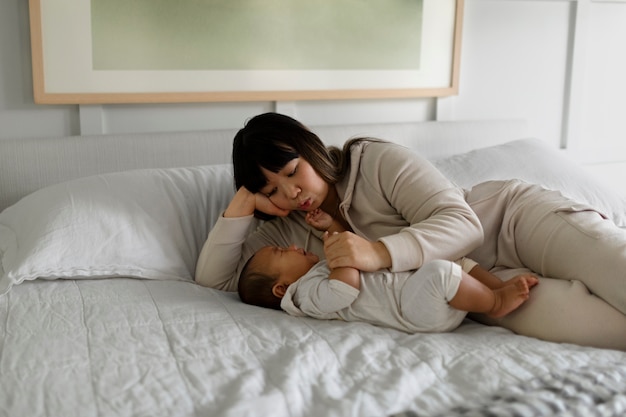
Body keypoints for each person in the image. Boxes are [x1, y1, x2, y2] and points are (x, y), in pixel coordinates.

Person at [196, 112, 626, 350]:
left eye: (293, 172)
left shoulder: (373, 160)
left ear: (309, 146)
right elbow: (215, 281)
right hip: (476, 288)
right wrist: (244, 203)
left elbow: (463, 224)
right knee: (606, 332)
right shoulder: (289, 235)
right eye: (273, 188)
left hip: (512, 222)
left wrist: (377, 254)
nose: (292, 193)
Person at [238, 209, 539, 334]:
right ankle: (495, 304)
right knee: (440, 273)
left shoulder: (316, 271)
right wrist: (339, 258)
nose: (291, 245)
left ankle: (496, 289)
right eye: (281, 252)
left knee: (452, 260)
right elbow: (344, 289)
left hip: (416, 292)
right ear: (281, 288)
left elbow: (352, 251)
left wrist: (331, 228)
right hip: (413, 311)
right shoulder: (303, 295)